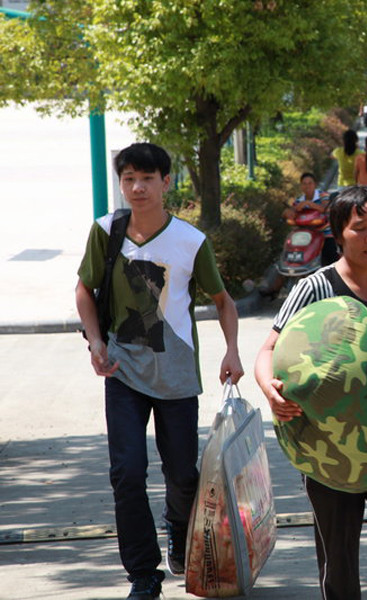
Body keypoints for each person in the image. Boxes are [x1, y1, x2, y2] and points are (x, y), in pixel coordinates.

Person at [75, 143, 244, 600]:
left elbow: (223, 301)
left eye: (147, 178)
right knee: (127, 473)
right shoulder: (106, 231)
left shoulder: (190, 241)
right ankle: (143, 573)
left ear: (166, 182)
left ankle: (178, 527)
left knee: (182, 475)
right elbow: (84, 289)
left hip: (176, 377)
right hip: (122, 370)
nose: (137, 187)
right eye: (129, 178)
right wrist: (95, 340)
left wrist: (232, 350)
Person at [254, 186, 367, 599]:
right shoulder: (313, 289)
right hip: (329, 448)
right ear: (338, 234)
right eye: (361, 228)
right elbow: (268, 350)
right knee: (339, 561)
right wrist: (271, 391)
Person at [283, 172, 338, 267]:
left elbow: (327, 208)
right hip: (306, 236)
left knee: (330, 257)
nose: (307, 186)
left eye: (310, 183)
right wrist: (287, 213)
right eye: (304, 183)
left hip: (325, 233)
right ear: (301, 186)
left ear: (315, 184)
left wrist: (309, 203)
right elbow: (292, 211)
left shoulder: (323, 195)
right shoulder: (298, 201)